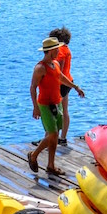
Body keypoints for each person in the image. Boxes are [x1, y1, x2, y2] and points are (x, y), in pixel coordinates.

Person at [29, 36, 85, 176]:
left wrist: (75, 87)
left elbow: (60, 77)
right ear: (49, 51)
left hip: (57, 103)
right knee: (53, 135)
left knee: (55, 135)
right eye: (56, 49)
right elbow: (33, 87)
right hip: (45, 105)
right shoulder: (40, 68)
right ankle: (34, 155)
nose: (58, 50)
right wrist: (35, 107)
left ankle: (50, 165)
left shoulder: (56, 64)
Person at [50, 27, 74, 146]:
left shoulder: (60, 50)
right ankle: (62, 138)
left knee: (53, 112)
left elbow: (58, 68)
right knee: (64, 110)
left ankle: (51, 138)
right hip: (68, 81)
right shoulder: (66, 48)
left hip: (61, 84)